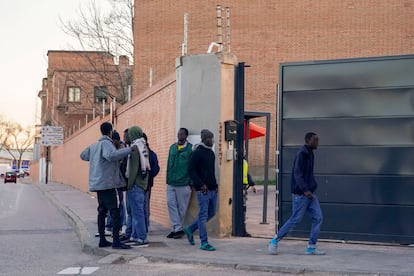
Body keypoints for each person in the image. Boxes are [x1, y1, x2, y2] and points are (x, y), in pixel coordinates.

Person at [268, 132, 325, 255]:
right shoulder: (302, 154)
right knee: (295, 219)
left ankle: (311, 247)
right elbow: (297, 174)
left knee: (318, 217)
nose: (317, 143)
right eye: (315, 140)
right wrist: (305, 190)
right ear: (309, 140)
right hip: (301, 194)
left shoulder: (310, 154)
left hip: (310, 194)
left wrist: (311, 188)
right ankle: (274, 241)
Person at [80, 122, 134, 250]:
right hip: (107, 183)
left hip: (97, 184)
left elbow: (83, 155)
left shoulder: (95, 145)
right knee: (115, 212)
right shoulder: (106, 144)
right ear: (110, 131)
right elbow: (111, 156)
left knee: (102, 211)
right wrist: (128, 150)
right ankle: (116, 241)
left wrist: (95, 156)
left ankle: (103, 240)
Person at [184, 129, 218, 251]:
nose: (213, 141)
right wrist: (200, 184)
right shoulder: (197, 153)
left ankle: (191, 229)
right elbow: (191, 170)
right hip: (202, 190)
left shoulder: (211, 153)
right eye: (211, 138)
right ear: (205, 139)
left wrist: (215, 185)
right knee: (203, 215)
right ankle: (204, 242)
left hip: (213, 189)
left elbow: (211, 172)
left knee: (212, 213)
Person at [126, 126, 151, 247]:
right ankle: (135, 236)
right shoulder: (143, 146)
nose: (128, 136)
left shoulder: (135, 148)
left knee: (137, 213)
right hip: (142, 184)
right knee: (138, 212)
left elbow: (134, 169)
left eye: (130, 134)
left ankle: (141, 238)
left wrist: (129, 185)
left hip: (135, 185)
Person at [166, 128, 193, 239]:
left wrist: (191, 182)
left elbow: (192, 167)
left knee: (181, 208)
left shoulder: (190, 149)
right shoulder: (172, 148)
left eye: (181, 134)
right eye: (178, 134)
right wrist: (167, 179)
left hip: (183, 183)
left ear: (186, 136)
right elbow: (168, 164)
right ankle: (177, 228)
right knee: (170, 203)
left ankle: (175, 229)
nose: (179, 136)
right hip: (171, 182)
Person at [105, 130, 127, 236]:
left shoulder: (123, 150)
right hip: (111, 181)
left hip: (118, 182)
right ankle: (109, 226)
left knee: (120, 204)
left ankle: (120, 225)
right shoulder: (112, 149)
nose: (112, 144)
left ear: (117, 140)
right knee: (111, 205)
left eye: (114, 142)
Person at [142, 133, 160, 233]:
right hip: (146, 184)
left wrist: (148, 176)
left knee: (144, 206)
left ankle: (145, 226)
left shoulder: (150, 154)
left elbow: (156, 168)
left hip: (146, 185)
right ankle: (144, 226)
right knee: (144, 205)